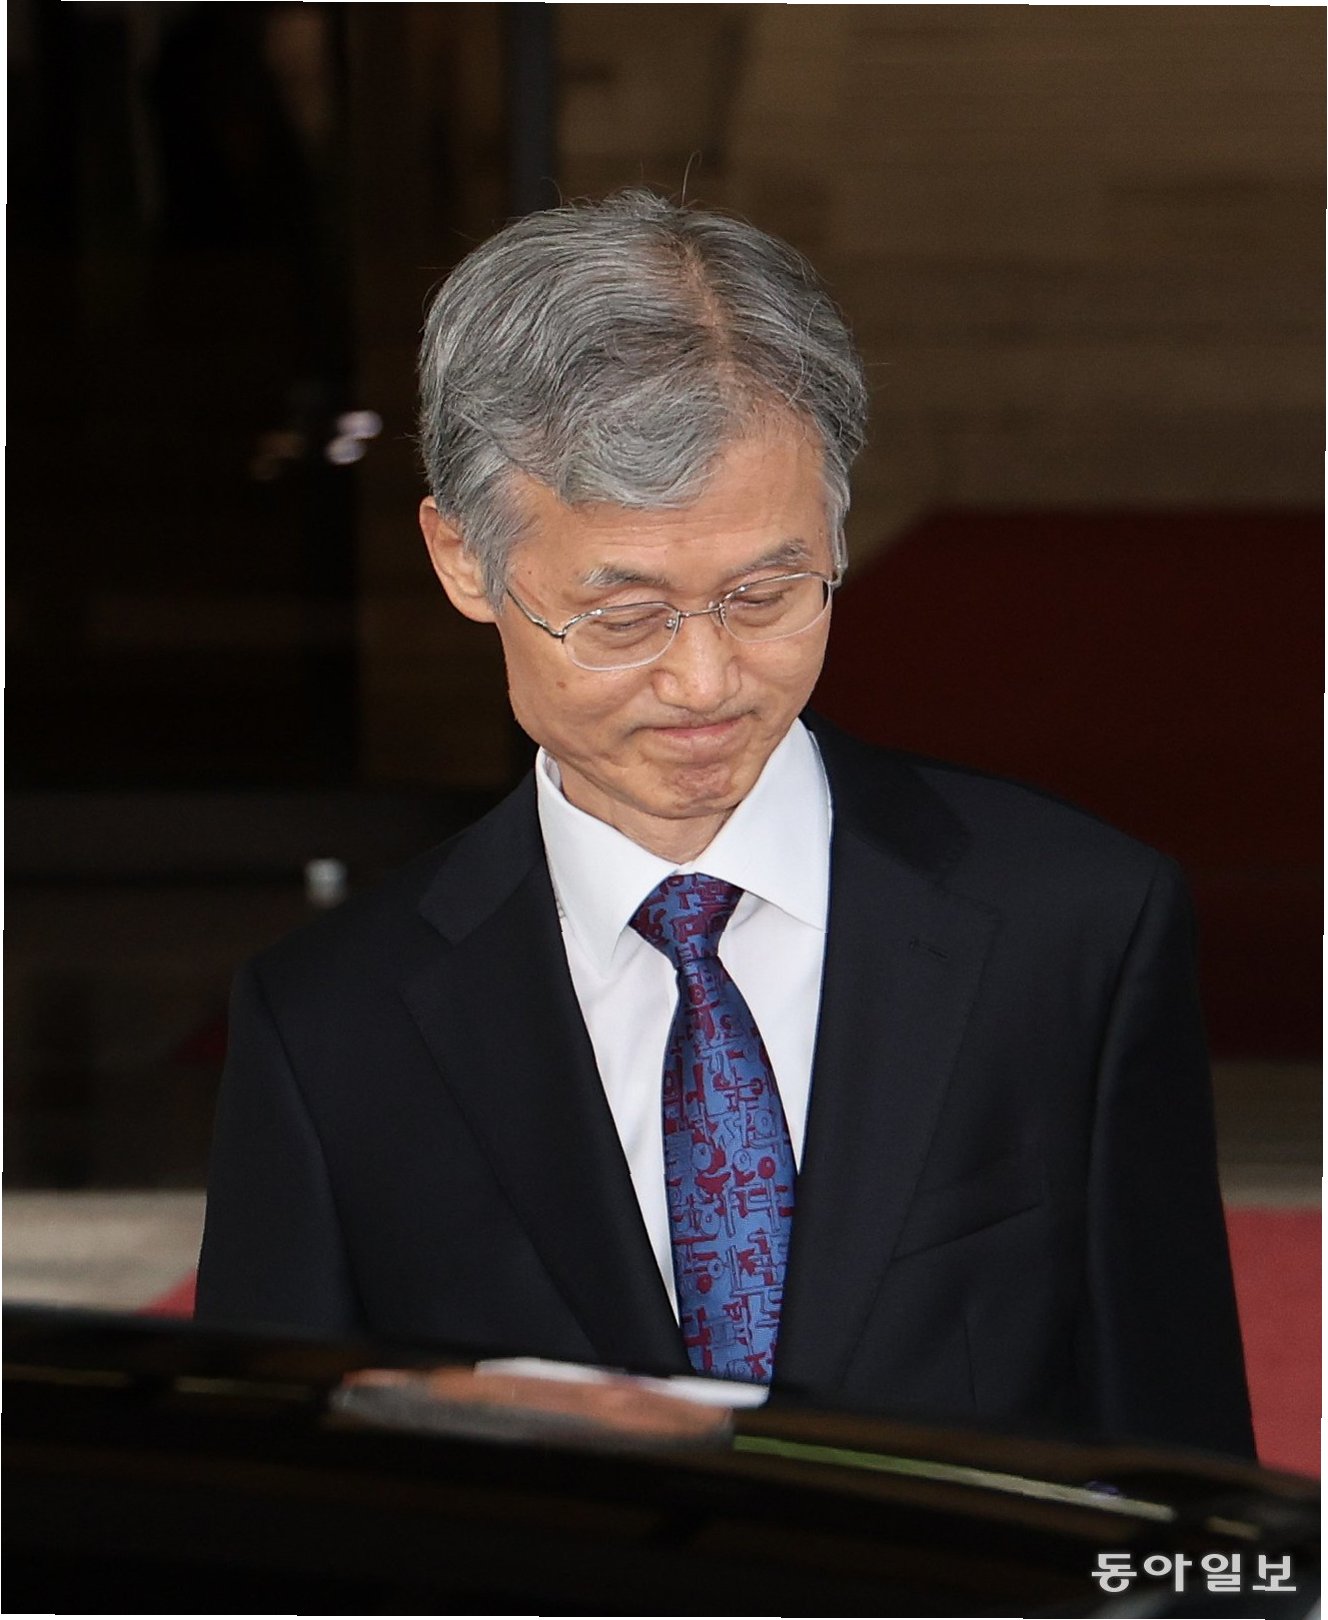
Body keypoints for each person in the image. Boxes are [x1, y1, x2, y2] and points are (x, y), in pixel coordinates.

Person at [196, 189, 1254, 1458]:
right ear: (463, 558)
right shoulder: (330, 1028)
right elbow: (275, 1505)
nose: (704, 684)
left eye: (765, 595)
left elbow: (1180, 1488)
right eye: (624, 617)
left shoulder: (1074, 929)